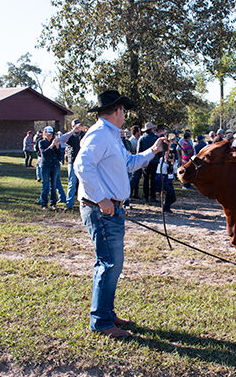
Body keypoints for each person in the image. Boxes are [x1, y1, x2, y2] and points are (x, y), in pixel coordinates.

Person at [74, 89, 167, 338]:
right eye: (124, 110)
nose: (125, 114)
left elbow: (129, 163)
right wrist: (102, 198)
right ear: (118, 110)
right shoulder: (100, 135)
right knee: (109, 264)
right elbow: (82, 165)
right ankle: (102, 322)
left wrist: (154, 151)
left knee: (110, 264)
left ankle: (106, 313)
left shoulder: (111, 135)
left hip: (110, 209)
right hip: (102, 210)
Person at [58, 119, 86, 211]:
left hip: (83, 163)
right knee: (72, 183)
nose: (78, 128)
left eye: (80, 126)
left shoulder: (83, 135)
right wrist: (72, 131)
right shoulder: (70, 136)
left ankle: (84, 203)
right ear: (73, 126)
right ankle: (69, 204)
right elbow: (60, 140)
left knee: (84, 183)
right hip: (72, 162)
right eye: (76, 126)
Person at [38, 126, 62, 210]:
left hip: (54, 165)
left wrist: (58, 147)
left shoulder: (55, 143)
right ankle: (44, 204)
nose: (49, 136)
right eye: (48, 134)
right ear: (44, 134)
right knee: (45, 185)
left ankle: (53, 204)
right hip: (45, 166)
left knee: (53, 185)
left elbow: (59, 156)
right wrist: (52, 146)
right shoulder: (41, 142)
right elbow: (44, 153)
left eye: (51, 135)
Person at [137, 122, 160, 203]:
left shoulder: (142, 138)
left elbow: (139, 151)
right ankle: (153, 196)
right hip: (154, 160)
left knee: (146, 179)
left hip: (145, 161)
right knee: (153, 179)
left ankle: (146, 196)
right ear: (151, 129)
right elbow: (159, 151)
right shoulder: (156, 138)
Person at [156, 147, 177, 213]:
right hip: (161, 178)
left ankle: (166, 207)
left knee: (173, 198)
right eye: (168, 154)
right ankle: (165, 208)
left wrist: (172, 163)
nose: (170, 156)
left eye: (172, 155)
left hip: (169, 179)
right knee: (169, 191)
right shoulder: (161, 160)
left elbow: (175, 171)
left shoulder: (174, 161)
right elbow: (161, 170)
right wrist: (165, 161)